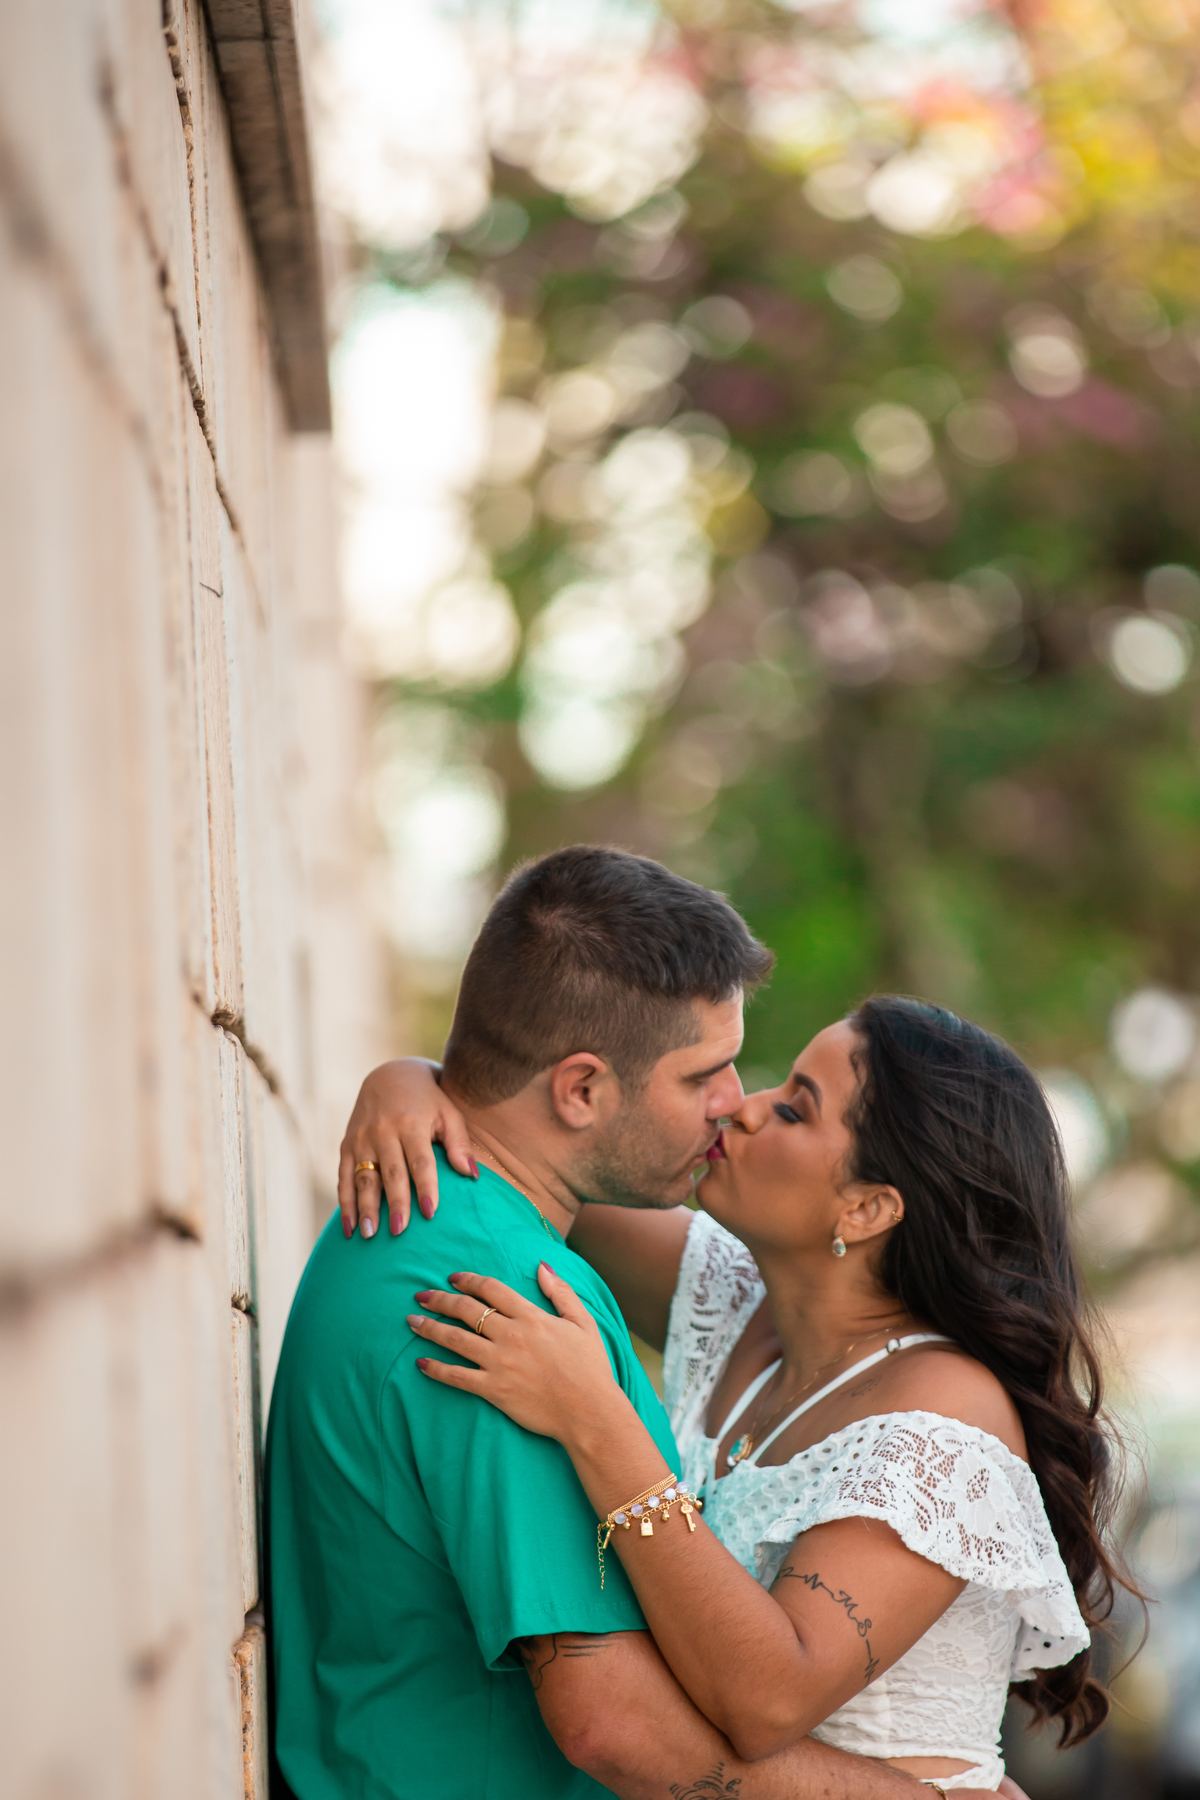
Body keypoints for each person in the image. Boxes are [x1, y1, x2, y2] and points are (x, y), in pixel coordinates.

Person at [267, 846, 1011, 1800]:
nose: (737, 1106)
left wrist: (420, 1080)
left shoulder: (452, 1228)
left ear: (873, 1208)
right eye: (709, 1072)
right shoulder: (511, 1311)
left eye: (780, 1097)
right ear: (580, 1089)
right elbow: (611, 1721)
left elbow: (498, 1102)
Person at [342, 985, 1138, 1790]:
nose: (742, 1107)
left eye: (797, 1110)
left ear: (866, 1208)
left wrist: (593, 1418)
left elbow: (767, 1696)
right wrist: (406, 1084)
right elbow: (529, 1155)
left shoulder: (943, 1416)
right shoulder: (740, 1300)